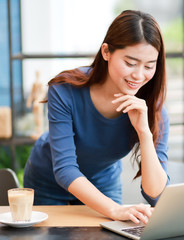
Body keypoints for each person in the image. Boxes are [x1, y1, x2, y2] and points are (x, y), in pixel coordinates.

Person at [24, 10, 170, 224]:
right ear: (106, 52)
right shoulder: (65, 90)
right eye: (130, 63)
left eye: (149, 66)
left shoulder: (151, 107)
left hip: (103, 184)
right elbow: (65, 169)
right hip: (47, 183)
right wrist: (114, 210)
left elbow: (155, 193)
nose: (139, 76)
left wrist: (144, 133)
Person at [26, 70, 47, 139]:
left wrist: (38, 100)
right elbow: (32, 93)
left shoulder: (40, 83)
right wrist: (29, 101)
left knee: (39, 116)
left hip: (39, 102)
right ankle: (37, 129)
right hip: (35, 101)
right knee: (35, 116)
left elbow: (43, 93)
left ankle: (40, 130)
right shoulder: (34, 83)